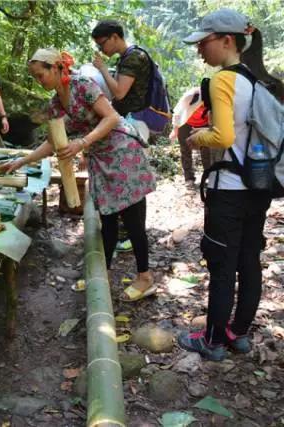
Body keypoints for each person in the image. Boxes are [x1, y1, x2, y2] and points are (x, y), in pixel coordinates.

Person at [4, 48, 157, 301]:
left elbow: (111, 117)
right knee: (107, 218)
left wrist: (82, 143)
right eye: (35, 77)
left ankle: (145, 277)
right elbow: (52, 141)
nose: (38, 81)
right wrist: (22, 160)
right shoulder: (55, 104)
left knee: (132, 219)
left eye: (40, 75)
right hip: (101, 157)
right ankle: (103, 275)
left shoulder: (82, 85)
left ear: (56, 68)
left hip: (122, 153)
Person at [177, 9, 283, 361]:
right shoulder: (254, 82)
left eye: (204, 42)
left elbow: (222, 134)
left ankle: (211, 341)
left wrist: (196, 139)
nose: (199, 50)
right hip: (258, 186)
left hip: (229, 191)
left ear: (227, 41)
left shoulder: (223, 80)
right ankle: (238, 333)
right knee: (249, 259)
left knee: (222, 264)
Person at [92, 20, 152, 253]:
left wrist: (102, 69)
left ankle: (133, 234)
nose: (102, 49)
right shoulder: (126, 57)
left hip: (136, 120)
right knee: (130, 184)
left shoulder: (133, 57)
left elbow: (119, 91)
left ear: (115, 37)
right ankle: (129, 232)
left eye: (102, 43)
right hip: (130, 119)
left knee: (133, 185)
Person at [171, 87, 218, 185]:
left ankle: (208, 176)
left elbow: (215, 118)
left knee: (207, 150)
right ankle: (189, 178)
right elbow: (178, 112)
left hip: (204, 124)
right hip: (186, 123)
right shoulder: (191, 96)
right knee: (185, 150)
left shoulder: (215, 99)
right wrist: (175, 130)